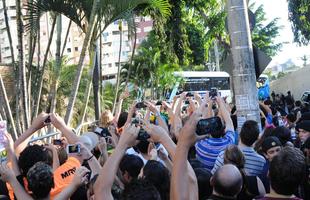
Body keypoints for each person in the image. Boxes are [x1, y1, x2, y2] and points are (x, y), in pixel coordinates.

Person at [195, 96, 235, 171]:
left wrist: (208, 103)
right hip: (221, 178)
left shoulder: (200, 143)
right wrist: (220, 102)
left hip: (203, 176)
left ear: (208, 130)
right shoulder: (229, 143)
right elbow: (229, 121)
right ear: (223, 130)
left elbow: (202, 121)